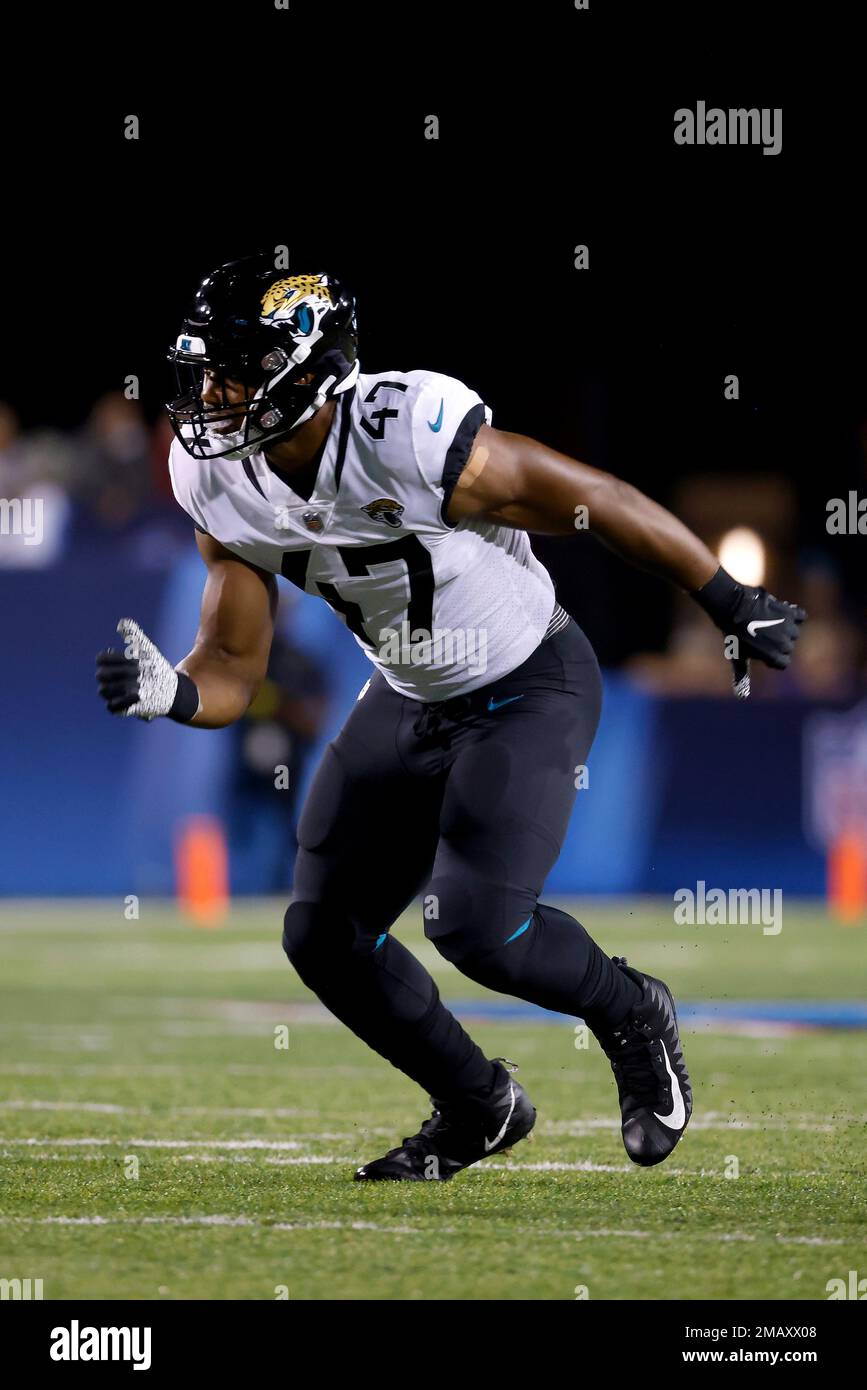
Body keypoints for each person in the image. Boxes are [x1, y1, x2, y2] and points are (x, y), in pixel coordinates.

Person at [96, 253, 806, 1181]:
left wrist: (722, 594)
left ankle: (632, 1010)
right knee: (321, 936)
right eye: (207, 366)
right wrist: (174, 693)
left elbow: (591, 499)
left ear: (306, 369)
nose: (211, 391)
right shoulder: (215, 478)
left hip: (525, 681)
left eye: (235, 367)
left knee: (477, 927)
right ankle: (478, 1106)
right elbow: (232, 664)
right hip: (408, 694)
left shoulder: (405, 432)